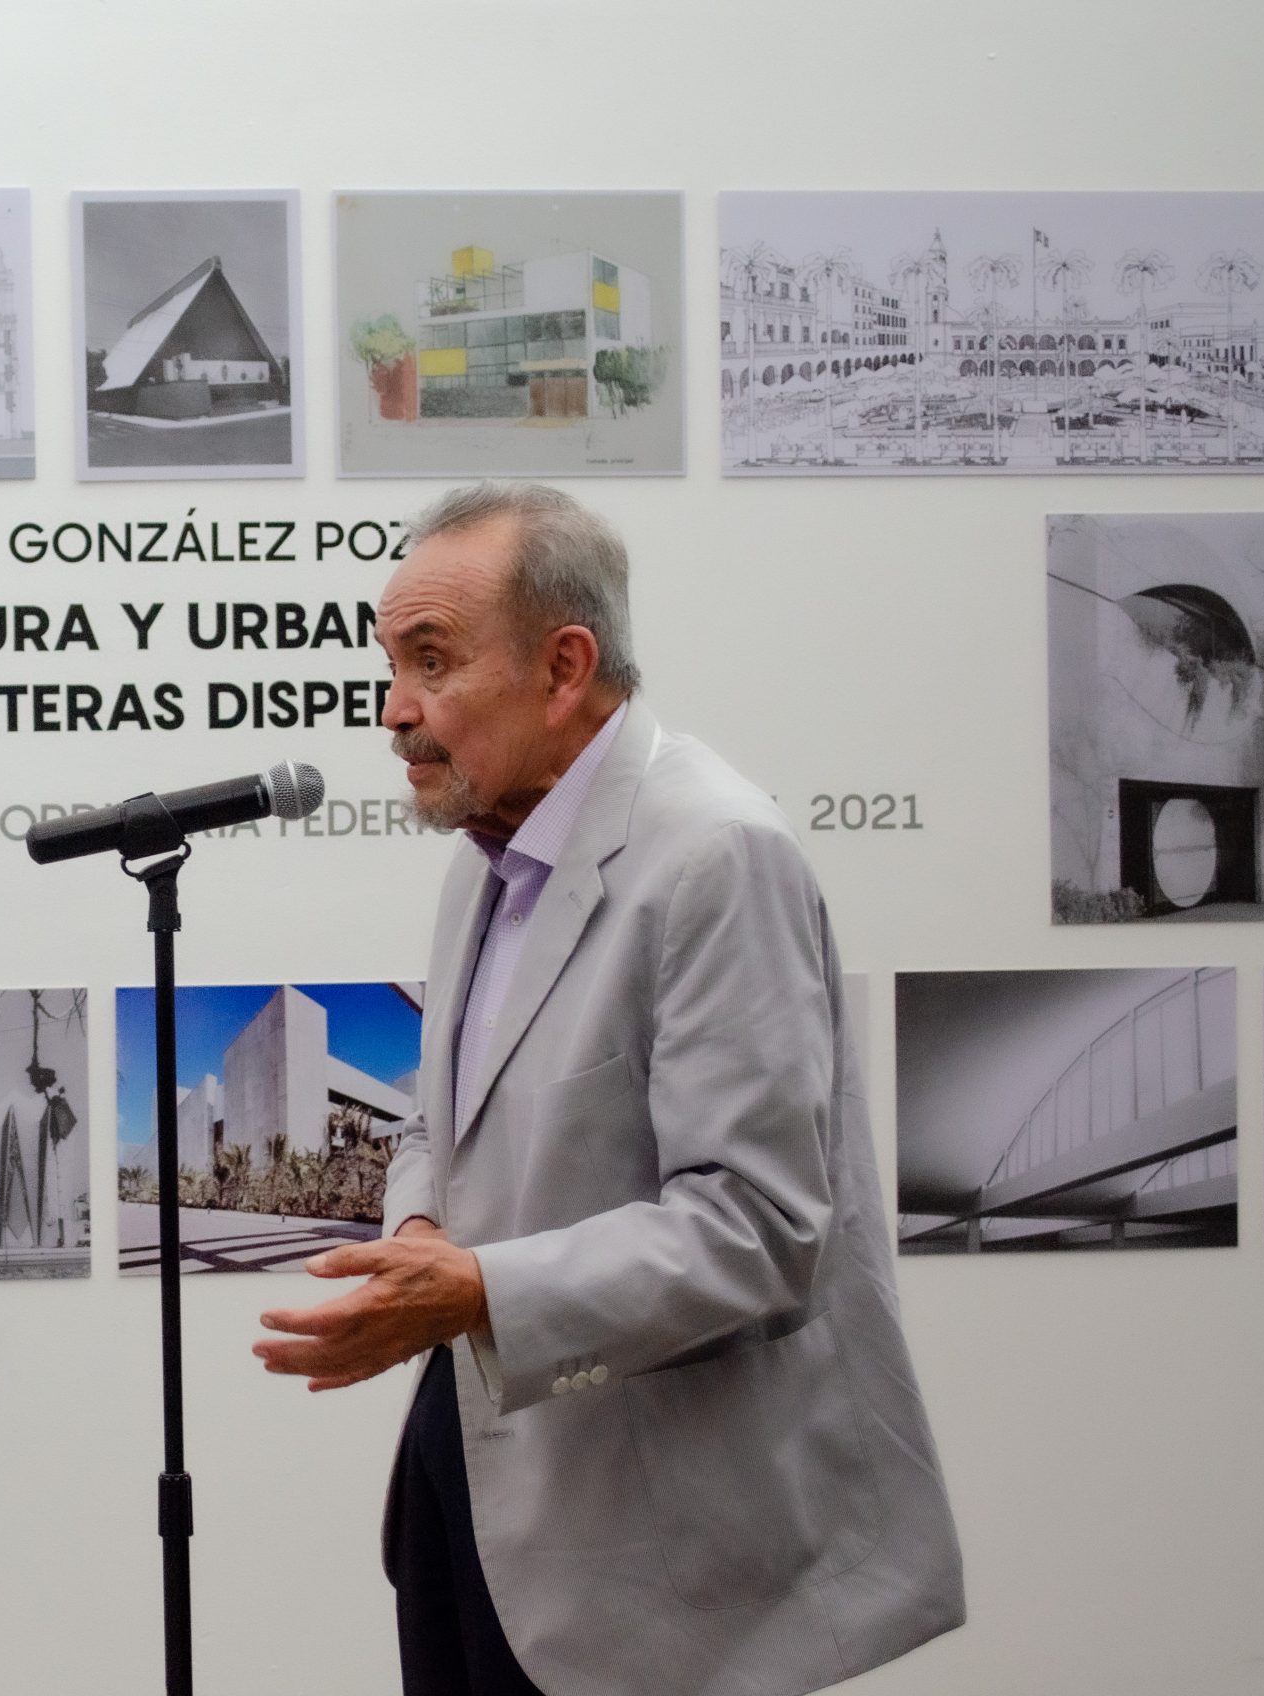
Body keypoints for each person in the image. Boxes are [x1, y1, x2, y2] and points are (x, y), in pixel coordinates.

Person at [252, 483, 962, 1696]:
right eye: (390, 665)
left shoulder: (714, 854)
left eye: (431, 661)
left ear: (563, 667)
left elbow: (759, 1227)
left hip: (644, 1571)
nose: (394, 711)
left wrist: (474, 1287)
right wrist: (419, 1222)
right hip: (476, 1495)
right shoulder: (483, 854)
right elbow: (439, 1107)